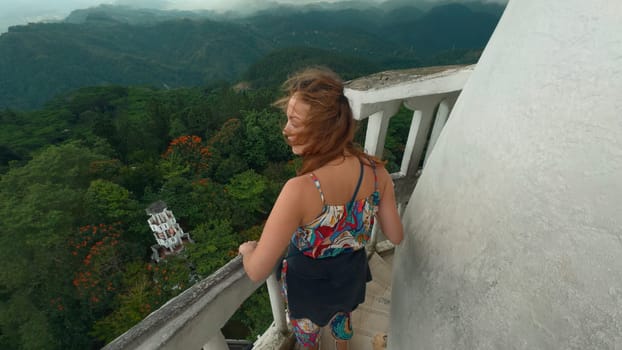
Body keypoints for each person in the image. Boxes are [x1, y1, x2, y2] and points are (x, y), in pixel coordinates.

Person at [238, 67, 404, 350]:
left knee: (307, 335)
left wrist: (247, 251)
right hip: (349, 274)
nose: (285, 129)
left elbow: (256, 271)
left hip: (308, 284)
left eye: (294, 121)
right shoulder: (377, 172)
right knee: (343, 319)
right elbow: (396, 236)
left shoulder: (301, 189)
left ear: (323, 129)